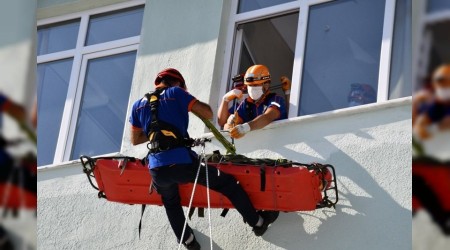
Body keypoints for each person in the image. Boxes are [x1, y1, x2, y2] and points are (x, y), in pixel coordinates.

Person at [129, 68, 279, 249]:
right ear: (177, 83)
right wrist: (185, 102)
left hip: (156, 168)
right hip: (181, 161)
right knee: (227, 184)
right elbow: (207, 113)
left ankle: (188, 241)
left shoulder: (137, 105)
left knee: (170, 202)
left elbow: (135, 139)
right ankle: (258, 222)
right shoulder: (176, 93)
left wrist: (156, 132)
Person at [226, 65, 287, 139]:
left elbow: (267, 117)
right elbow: (229, 127)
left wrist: (245, 128)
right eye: (249, 85)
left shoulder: (276, 99)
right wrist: (230, 124)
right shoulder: (245, 104)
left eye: (255, 85)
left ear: (266, 84)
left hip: (279, 141)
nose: (252, 88)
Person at [414, 64, 450, 140]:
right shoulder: (432, 104)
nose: (444, 87)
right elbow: (421, 121)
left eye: (447, 83)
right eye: (441, 83)